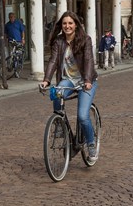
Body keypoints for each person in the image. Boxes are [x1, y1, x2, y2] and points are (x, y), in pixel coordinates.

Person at [40, 11, 98, 163]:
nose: (67, 26)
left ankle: (91, 144)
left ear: (76, 25)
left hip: (86, 80)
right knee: (57, 92)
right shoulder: (59, 41)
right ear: (61, 25)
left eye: (70, 23)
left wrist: (87, 80)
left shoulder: (85, 39)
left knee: (83, 116)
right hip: (69, 80)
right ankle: (59, 123)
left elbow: (88, 60)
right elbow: (53, 61)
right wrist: (46, 80)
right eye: (65, 23)